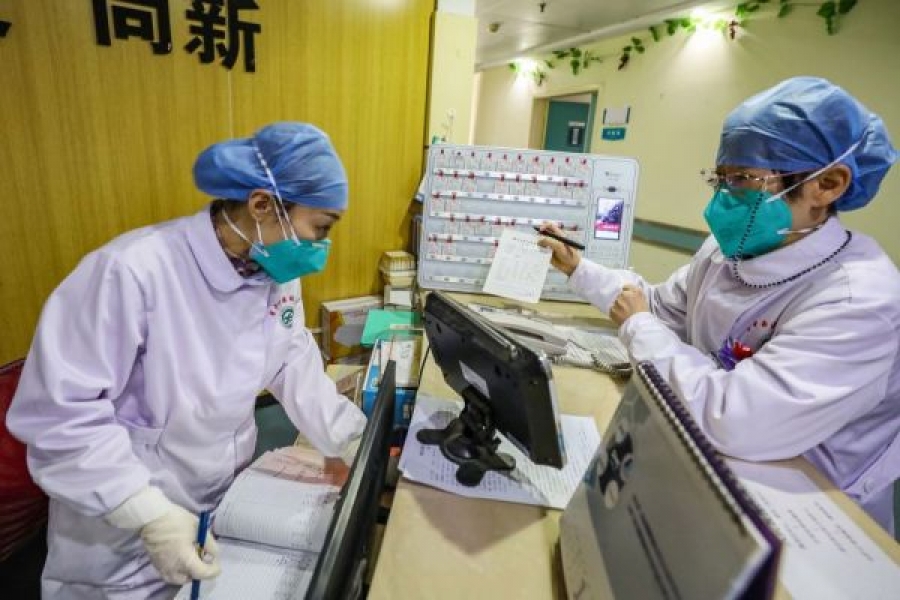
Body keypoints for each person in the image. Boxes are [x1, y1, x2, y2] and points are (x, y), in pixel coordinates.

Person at [6, 122, 368, 598]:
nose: (321, 245)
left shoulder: (272, 270)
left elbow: (292, 359)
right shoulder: (130, 272)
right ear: (262, 205)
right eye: (320, 227)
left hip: (218, 505)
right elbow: (57, 417)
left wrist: (352, 440)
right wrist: (148, 515)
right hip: (121, 528)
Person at [538, 77, 900, 534]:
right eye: (720, 179)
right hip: (707, 463)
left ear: (827, 185)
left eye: (743, 179)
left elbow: (735, 420)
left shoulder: (859, 300)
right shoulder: (727, 252)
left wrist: (641, 329)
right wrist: (578, 268)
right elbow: (655, 306)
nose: (722, 199)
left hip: (812, 514)